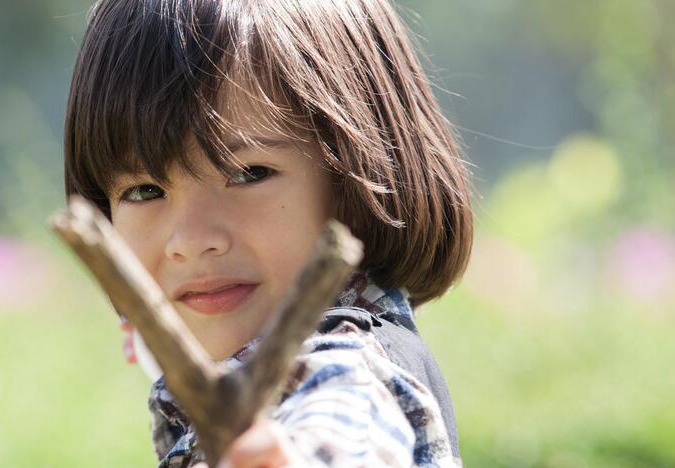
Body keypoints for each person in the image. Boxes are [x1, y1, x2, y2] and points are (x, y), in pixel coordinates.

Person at [63, 0, 473, 466]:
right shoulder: (233, 360)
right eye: (144, 190)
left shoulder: (348, 365)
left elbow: (344, 426)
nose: (190, 241)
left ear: (356, 176)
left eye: (248, 174)